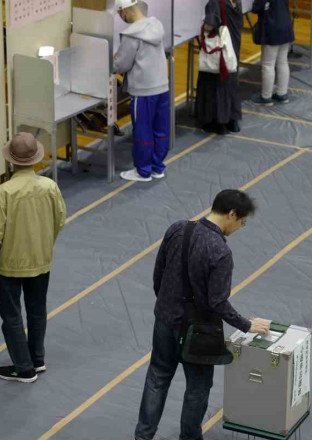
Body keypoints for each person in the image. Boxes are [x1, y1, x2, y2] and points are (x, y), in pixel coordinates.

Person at [135, 189, 271, 440]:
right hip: (198, 332)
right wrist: (246, 325)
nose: (239, 228)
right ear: (231, 214)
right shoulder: (220, 252)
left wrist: (167, 305)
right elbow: (218, 302)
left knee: (157, 376)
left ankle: (143, 436)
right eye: (241, 222)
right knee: (197, 388)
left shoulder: (177, 229)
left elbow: (159, 275)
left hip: (165, 320)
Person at [0, 133, 66, 383]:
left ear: (11, 161)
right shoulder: (49, 187)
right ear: (35, 158)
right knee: (37, 310)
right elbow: (60, 219)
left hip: (10, 263)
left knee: (11, 315)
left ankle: (23, 367)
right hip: (41, 259)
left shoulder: (4, 192)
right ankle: (37, 358)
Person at [114, 0, 171, 183]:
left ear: (124, 12)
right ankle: (157, 167)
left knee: (142, 130)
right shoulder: (156, 25)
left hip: (143, 91)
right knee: (160, 129)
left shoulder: (131, 35)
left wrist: (111, 62)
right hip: (162, 86)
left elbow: (121, 64)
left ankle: (143, 171)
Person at [196, 0, 244, 136]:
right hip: (232, 48)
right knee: (231, 81)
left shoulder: (215, 2)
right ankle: (232, 120)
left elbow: (210, 24)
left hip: (219, 53)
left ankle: (218, 123)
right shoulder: (237, 2)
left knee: (214, 83)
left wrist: (203, 27)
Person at [250, 0, 295, 106]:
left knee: (268, 64)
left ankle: (266, 97)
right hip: (286, 26)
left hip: (272, 29)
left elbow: (256, 8)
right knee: (283, 62)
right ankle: (282, 94)